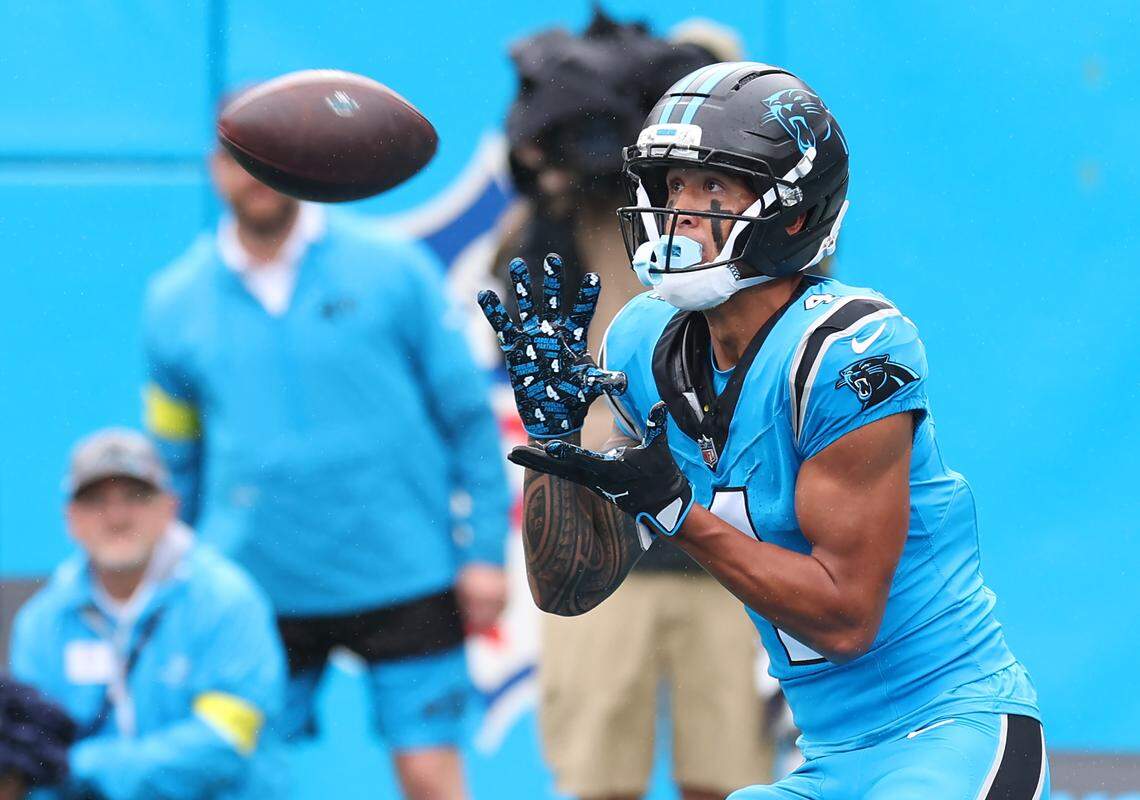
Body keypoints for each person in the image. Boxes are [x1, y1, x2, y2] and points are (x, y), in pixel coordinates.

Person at [479, 62, 1049, 799]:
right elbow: (568, 586)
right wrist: (553, 447)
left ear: (795, 212)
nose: (681, 212)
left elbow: (846, 620)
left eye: (713, 188)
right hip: (828, 757)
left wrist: (679, 513)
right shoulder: (640, 344)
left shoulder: (848, 350)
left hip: (947, 732)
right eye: (673, 186)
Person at [143, 117, 511, 799]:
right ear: (213, 167)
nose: (254, 175)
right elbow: (175, 463)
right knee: (240, 777)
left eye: (271, 154)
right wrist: (177, 580)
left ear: (302, 159)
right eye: (237, 158)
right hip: (256, 586)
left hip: (407, 573)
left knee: (430, 776)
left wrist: (485, 553)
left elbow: (467, 418)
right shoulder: (172, 303)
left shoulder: (393, 268)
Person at [491, 14, 774, 800]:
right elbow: (523, 307)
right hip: (598, 522)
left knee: (731, 778)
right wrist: (553, 178)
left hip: (728, 531)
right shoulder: (578, 217)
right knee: (596, 779)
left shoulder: (772, 232)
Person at [8, 429, 284, 799]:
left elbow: (226, 740)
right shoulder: (42, 622)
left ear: (170, 507)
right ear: (70, 518)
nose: (117, 517)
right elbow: (31, 758)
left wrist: (84, 765)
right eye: (96, 501)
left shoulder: (228, 600)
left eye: (135, 496)